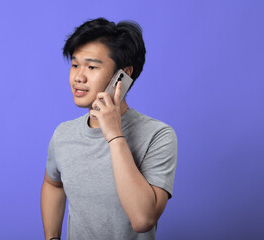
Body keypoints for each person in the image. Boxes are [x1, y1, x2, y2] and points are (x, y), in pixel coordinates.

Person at [40, 17, 177, 240]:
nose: (78, 77)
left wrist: (114, 135)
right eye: (75, 65)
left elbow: (143, 219)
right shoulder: (63, 134)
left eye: (92, 66)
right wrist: (52, 237)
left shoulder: (158, 135)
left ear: (123, 75)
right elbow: (53, 184)